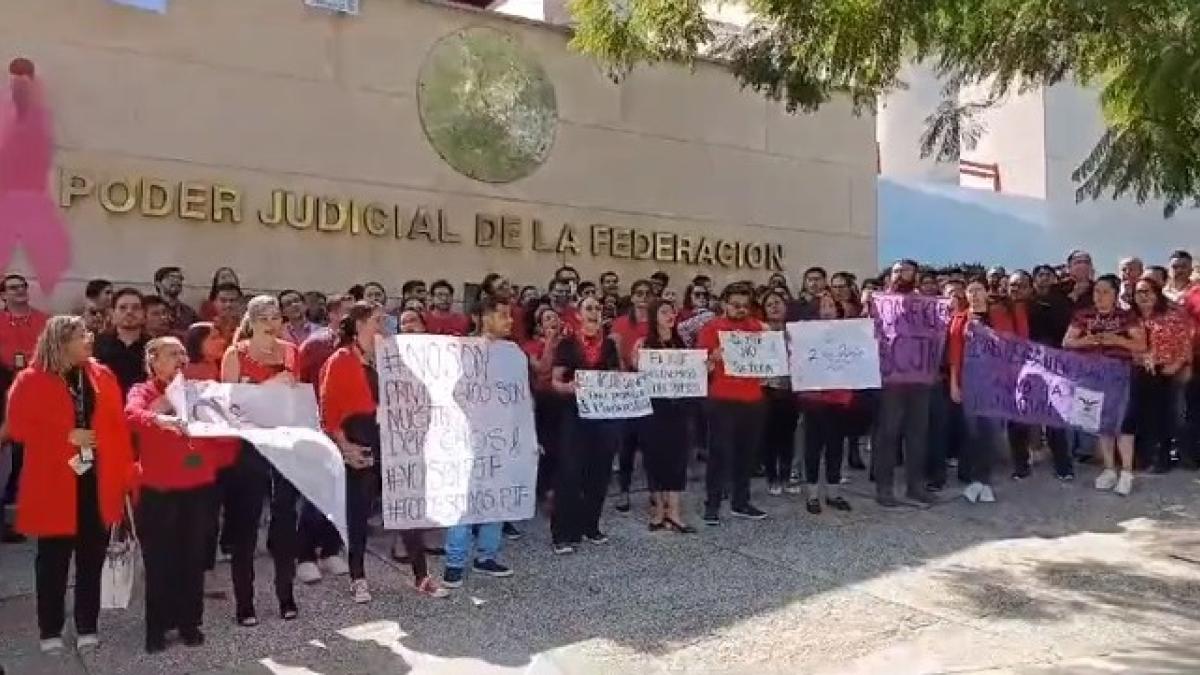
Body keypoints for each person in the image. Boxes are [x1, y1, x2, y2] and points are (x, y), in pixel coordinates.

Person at [8, 315, 136, 654]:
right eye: (82, 335)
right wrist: (64, 435)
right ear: (61, 341)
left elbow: (118, 429)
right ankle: (49, 628)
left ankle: (87, 625)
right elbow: (18, 427)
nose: (89, 339)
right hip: (53, 482)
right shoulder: (30, 380)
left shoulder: (101, 376)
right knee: (52, 560)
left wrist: (125, 476)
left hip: (95, 479)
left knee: (91, 557)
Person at [319, 301, 448, 601]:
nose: (384, 325)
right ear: (360, 324)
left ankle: (422, 576)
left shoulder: (392, 357)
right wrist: (344, 445)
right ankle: (358, 577)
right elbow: (329, 408)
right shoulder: (341, 360)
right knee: (359, 511)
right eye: (378, 320)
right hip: (361, 439)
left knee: (406, 509)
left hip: (394, 442)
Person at [126, 337, 234, 653]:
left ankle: (190, 623)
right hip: (160, 491)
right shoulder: (143, 391)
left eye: (183, 353)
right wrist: (161, 411)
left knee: (192, 559)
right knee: (160, 561)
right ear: (153, 360)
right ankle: (158, 627)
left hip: (199, 486)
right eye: (172, 354)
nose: (181, 358)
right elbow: (131, 416)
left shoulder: (199, 389)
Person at [220, 295, 303, 625]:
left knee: (285, 523)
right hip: (247, 449)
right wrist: (270, 385)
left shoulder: (290, 351)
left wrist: (261, 390)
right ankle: (245, 602)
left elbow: (293, 397)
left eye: (276, 317)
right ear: (251, 322)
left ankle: (286, 594)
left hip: (282, 445)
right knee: (245, 527)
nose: (271, 324)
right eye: (264, 318)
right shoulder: (234, 354)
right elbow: (231, 405)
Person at [442, 297, 516, 585]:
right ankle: (455, 561)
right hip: (468, 438)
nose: (509, 321)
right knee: (464, 500)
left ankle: (487, 555)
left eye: (510, 316)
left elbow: (520, 399)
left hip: (502, 438)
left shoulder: (512, 354)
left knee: (495, 498)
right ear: (481, 318)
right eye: (502, 316)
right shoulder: (463, 351)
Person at [550, 295, 622, 553]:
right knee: (570, 473)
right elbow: (555, 381)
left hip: (603, 418)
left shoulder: (610, 345)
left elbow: (616, 376)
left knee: (599, 473)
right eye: (589, 308)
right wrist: (569, 387)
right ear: (578, 315)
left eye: (598, 308)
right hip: (574, 416)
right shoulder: (568, 344)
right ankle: (562, 534)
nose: (594, 312)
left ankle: (590, 526)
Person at [1063, 275, 1147, 495]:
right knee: (1103, 423)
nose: (1099, 297)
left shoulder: (1126, 316)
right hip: (1093, 375)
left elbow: (1140, 344)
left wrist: (1116, 340)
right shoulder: (1083, 315)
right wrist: (1087, 341)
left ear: (1115, 293)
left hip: (1121, 375)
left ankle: (1127, 472)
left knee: (1124, 424)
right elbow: (1067, 342)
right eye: (1096, 292)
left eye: (1105, 292)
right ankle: (1109, 469)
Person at [697, 282, 769, 525]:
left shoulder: (758, 328)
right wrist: (711, 357)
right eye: (735, 305)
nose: (740, 310)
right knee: (719, 453)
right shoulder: (711, 328)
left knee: (747, 454)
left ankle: (741, 501)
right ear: (725, 304)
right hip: (722, 399)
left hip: (753, 399)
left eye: (745, 306)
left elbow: (771, 357)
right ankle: (713, 504)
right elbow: (700, 366)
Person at [948, 277, 1025, 503]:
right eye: (970, 291)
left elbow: (1012, 348)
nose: (974, 294)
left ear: (986, 292)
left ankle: (984, 482)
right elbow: (954, 355)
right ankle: (975, 480)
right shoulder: (959, 319)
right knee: (973, 433)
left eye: (978, 290)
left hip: (996, 384)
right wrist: (954, 384)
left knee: (990, 432)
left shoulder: (1000, 316)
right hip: (970, 382)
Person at [871, 260, 937, 508]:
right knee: (888, 435)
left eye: (906, 270)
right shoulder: (879, 303)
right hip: (891, 381)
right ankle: (884, 488)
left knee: (918, 435)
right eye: (896, 270)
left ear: (915, 275)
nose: (900, 274)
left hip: (920, 380)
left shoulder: (927, 305)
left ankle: (915, 487)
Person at [635, 298, 697, 533]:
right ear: (654, 316)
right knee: (655, 460)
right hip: (653, 411)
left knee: (677, 460)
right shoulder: (644, 343)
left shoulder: (682, 344)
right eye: (664, 312)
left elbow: (694, 373)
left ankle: (674, 511)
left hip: (678, 410)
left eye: (672, 312)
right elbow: (634, 372)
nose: (670, 316)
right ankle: (658, 510)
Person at [797, 292, 855, 512]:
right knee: (812, 448)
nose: (828, 309)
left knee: (836, 447)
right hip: (813, 399)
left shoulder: (849, 334)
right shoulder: (805, 333)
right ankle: (812, 495)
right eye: (823, 306)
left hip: (839, 399)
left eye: (832, 305)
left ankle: (833, 493)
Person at [1131, 278, 1191, 473]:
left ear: (1157, 294)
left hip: (1164, 371)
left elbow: (1184, 345)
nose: (1143, 296)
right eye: (1139, 292)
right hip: (1138, 372)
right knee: (1141, 416)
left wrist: (1173, 367)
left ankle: (1162, 457)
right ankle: (1143, 456)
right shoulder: (1131, 319)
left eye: (1147, 291)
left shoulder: (1171, 317)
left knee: (1163, 416)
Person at [1023, 264, 1077, 480]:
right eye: (1040, 275)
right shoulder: (1025, 303)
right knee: (1028, 412)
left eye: (1048, 275)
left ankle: (1063, 465)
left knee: (1056, 415)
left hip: (1057, 364)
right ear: (1034, 279)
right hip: (1029, 364)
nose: (1044, 279)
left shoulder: (1064, 302)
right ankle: (1029, 456)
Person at [610, 278, 652, 511]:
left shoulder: (657, 324)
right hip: (628, 388)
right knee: (627, 443)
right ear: (633, 297)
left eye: (648, 294)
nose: (643, 297)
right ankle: (624, 491)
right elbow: (615, 353)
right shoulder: (621, 323)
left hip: (652, 388)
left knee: (651, 444)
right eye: (639, 293)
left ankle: (653, 491)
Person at [523, 306, 563, 504]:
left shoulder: (567, 344)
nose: (553, 321)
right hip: (543, 400)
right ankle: (543, 489)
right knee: (546, 446)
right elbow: (542, 369)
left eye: (555, 317)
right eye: (547, 318)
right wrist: (549, 343)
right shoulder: (530, 346)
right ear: (539, 326)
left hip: (565, 399)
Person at [759, 290, 797, 495]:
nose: (774, 307)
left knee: (788, 436)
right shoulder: (758, 332)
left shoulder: (795, 331)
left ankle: (786, 476)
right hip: (766, 389)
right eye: (769, 304)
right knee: (769, 435)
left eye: (778, 302)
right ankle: (772, 477)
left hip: (790, 388)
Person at [92, 288, 149, 399]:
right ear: (113, 313)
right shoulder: (96, 344)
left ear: (144, 314)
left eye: (136, 308)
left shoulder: (155, 347)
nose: (129, 312)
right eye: (123, 308)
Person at [153, 266, 199, 331]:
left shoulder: (189, 312)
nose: (177, 281)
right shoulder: (150, 308)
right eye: (171, 277)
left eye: (180, 278)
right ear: (158, 284)